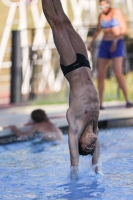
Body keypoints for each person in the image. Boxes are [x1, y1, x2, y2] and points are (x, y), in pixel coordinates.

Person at [41, 0, 100, 180]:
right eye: (92, 148)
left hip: (72, 66)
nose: (92, 144)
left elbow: (74, 156)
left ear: (80, 139)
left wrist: (74, 175)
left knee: (57, 24)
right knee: (66, 21)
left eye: (87, 146)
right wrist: (97, 171)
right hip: (85, 64)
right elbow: (97, 159)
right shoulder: (95, 127)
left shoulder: (75, 124)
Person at [88, 0, 133, 110]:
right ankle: (101, 103)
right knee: (100, 75)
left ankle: (127, 100)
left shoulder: (116, 13)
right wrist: (91, 43)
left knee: (118, 73)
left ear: (109, 4)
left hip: (117, 44)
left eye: (105, 6)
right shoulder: (101, 16)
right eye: (101, 7)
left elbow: (124, 29)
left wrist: (115, 40)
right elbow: (98, 31)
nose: (104, 9)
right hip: (104, 45)